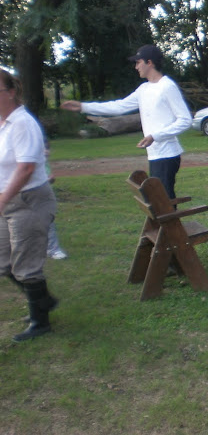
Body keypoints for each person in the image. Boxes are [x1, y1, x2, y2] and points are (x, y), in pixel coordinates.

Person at [61, 45, 191, 199]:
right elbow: (119, 106)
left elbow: (185, 120)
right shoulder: (144, 89)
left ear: (150, 63)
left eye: (138, 62)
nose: (136, 67)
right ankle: (165, 223)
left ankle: (168, 224)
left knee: (163, 202)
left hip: (168, 155)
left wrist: (155, 136)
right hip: (155, 154)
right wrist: (83, 107)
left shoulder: (167, 87)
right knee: (159, 202)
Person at [0, 69, 59, 341]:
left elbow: (25, 169)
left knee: (25, 264)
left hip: (28, 200)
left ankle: (40, 321)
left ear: (11, 92)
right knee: (3, 262)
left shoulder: (22, 123)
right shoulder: (3, 124)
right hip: (7, 201)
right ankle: (43, 300)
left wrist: (2, 200)